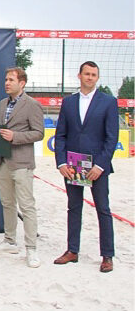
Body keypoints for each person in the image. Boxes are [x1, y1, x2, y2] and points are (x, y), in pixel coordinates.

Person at [53, 61, 118, 273]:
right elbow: (60, 135)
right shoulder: (69, 102)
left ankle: (107, 256)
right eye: (87, 74)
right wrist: (61, 162)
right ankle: (72, 251)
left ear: (97, 78)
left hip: (97, 166)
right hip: (72, 164)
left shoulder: (108, 102)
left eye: (94, 75)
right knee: (74, 207)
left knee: (103, 209)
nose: (90, 77)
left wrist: (101, 165)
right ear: (79, 75)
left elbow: (111, 138)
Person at [0, 67, 44, 268]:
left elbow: (39, 133)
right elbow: (1, 130)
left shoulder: (32, 105)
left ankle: (31, 249)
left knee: (26, 205)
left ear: (22, 83)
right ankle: (10, 241)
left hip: (22, 162)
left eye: (11, 79)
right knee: (7, 203)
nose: (7, 83)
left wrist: (16, 137)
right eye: (6, 79)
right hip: (3, 160)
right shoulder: (3, 103)